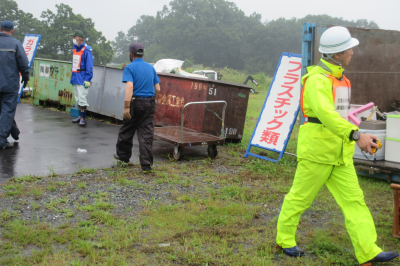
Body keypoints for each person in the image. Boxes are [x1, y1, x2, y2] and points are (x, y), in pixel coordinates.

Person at [275, 26, 399, 265]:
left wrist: (360, 137)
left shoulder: (341, 80)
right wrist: (356, 136)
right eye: (348, 49)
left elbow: (342, 117)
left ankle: (368, 251)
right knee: (299, 198)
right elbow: (327, 115)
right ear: (336, 55)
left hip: (341, 153)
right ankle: (284, 239)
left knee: (355, 201)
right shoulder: (316, 81)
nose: (352, 52)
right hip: (317, 152)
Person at [113, 42, 161, 173]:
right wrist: (152, 99)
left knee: (127, 130)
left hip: (135, 103)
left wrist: (126, 107)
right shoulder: (151, 68)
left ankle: (123, 158)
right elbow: (158, 88)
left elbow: (129, 87)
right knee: (146, 134)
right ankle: (146, 166)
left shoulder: (129, 68)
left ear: (130, 54)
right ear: (143, 54)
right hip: (148, 104)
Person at [0, 20, 29, 149]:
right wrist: (26, 77)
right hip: (10, 84)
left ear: (0, 29)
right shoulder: (16, 44)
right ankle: (1, 139)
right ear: (12, 30)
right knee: (7, 110)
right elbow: (23, 63)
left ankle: (14, 132)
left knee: (5, 110)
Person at [69, 30, 93, 126]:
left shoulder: (86, 50)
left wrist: (88, 79)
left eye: (74, 37)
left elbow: (89, 65)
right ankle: (79, 116)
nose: (73, 39)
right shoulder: (75, 49)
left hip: (83, 77)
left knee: (82, 98)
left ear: (79, 38)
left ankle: (83, 118)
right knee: (78, 98)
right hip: (75, 77)